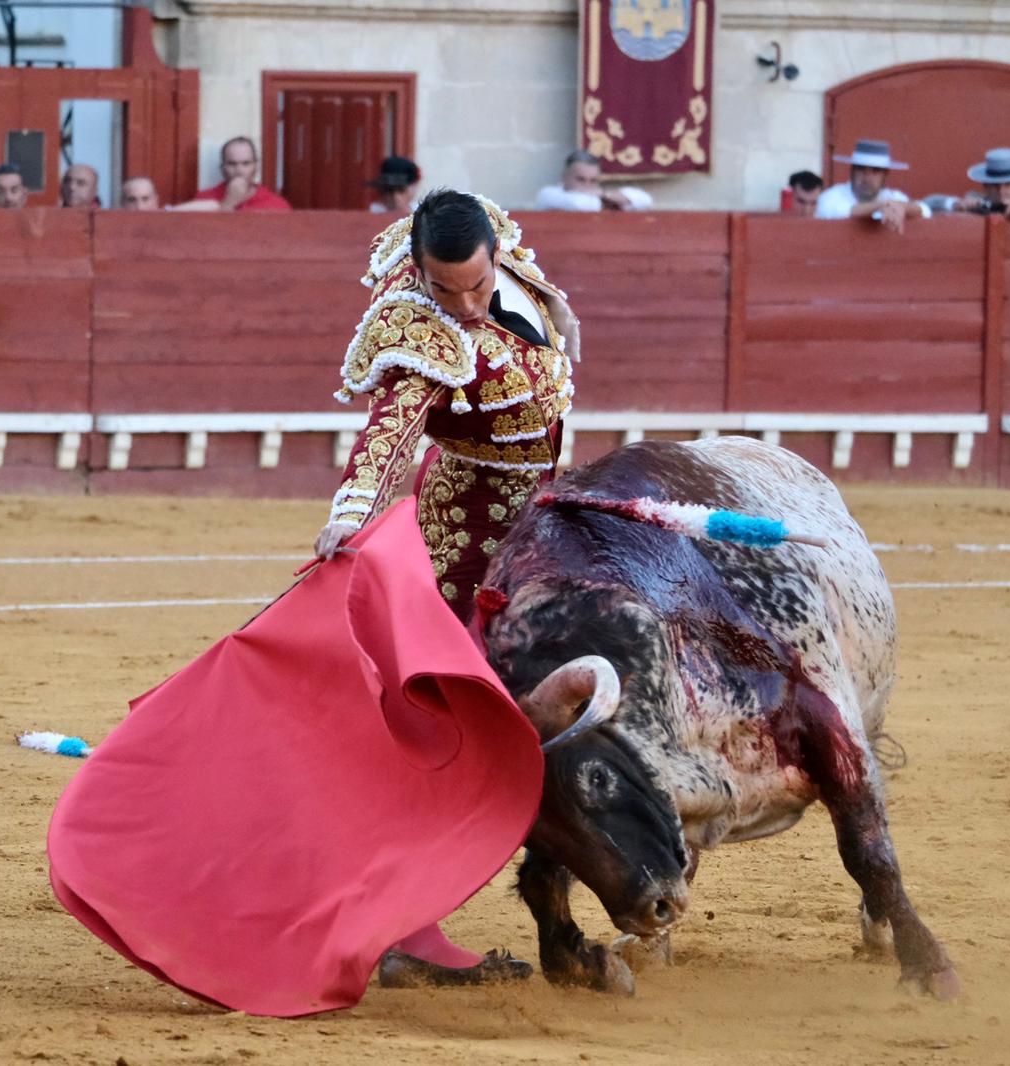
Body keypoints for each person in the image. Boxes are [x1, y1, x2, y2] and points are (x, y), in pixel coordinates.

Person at [314, 188, 580, 986]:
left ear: (492, 252)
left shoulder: (509, 265)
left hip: (539, 515)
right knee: (441, 717)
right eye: (445, 290)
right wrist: (350, 516)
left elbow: (553, 350)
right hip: (464, 529)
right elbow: (387, 434)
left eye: (475, 286)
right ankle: (401, 922)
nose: (464, 306)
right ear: (420, 274)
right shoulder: (416, 327)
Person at [814, 138, 929, 233]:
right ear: (852, 171)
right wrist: (881, 206)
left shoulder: (893, 197)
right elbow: (836, 211)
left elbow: (925, 210)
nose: (867, 178)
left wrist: (904, 207)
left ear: (885, 175)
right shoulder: (832, 195)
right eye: (861, 170)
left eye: (875, 171)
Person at [176, 137, 292, 212]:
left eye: (246, 163)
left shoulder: (276, 204)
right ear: (222, 168)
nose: (239, 170)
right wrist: (229, 202)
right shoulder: (204, 199)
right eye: (232, 164)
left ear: (256, 166)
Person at [534, 149, 653, 211]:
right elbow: (581, 205)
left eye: (593, 180)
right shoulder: (548, 194)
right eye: (581, 179)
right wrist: (608, 198)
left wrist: (604, 193)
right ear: (564, 177)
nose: (587, 185)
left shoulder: (601, 195)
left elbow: (645, 200)